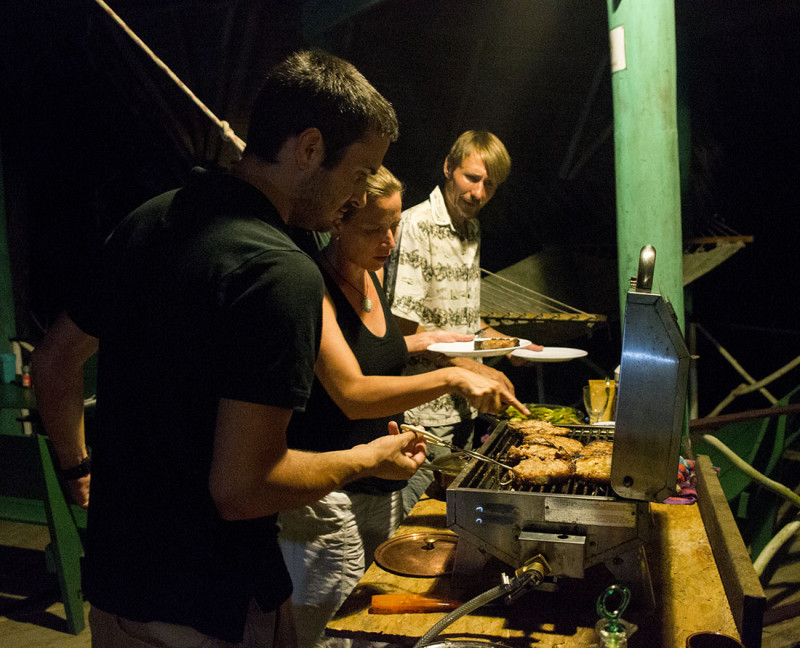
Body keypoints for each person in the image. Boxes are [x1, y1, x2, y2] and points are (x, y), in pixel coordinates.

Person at [30, 50, 427, 648]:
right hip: (211, 604)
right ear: (311, 148)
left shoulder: (148, 221)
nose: (357, 193)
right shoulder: (281, 271)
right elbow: (243, 488)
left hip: (116, 593)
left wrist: (77, 467)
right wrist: (367, 458)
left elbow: (54, 361)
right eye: (359, 170)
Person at [276, 166, 525, 647]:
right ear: (337, 222)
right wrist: (453, 375)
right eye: (374, 228)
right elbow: (352, 391)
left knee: (381, 619)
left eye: (394, 225)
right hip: (329, 489)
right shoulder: (314, 285)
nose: (390, 240)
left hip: (380, 477)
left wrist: (435, 340)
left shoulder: (371, 276)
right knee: (334, 631)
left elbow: (377, 348)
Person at [384, 130, 542, 514]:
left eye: (490, 185)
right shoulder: (416, 225)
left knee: (457, 524)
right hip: (423, 416)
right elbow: (402, 327)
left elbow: (465, 324)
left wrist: (509, 344)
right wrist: (471, 368)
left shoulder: (471, 229)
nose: (479, 193)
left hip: (464, 412)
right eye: (472, 178)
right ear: (448, 167)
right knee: (421, 525)